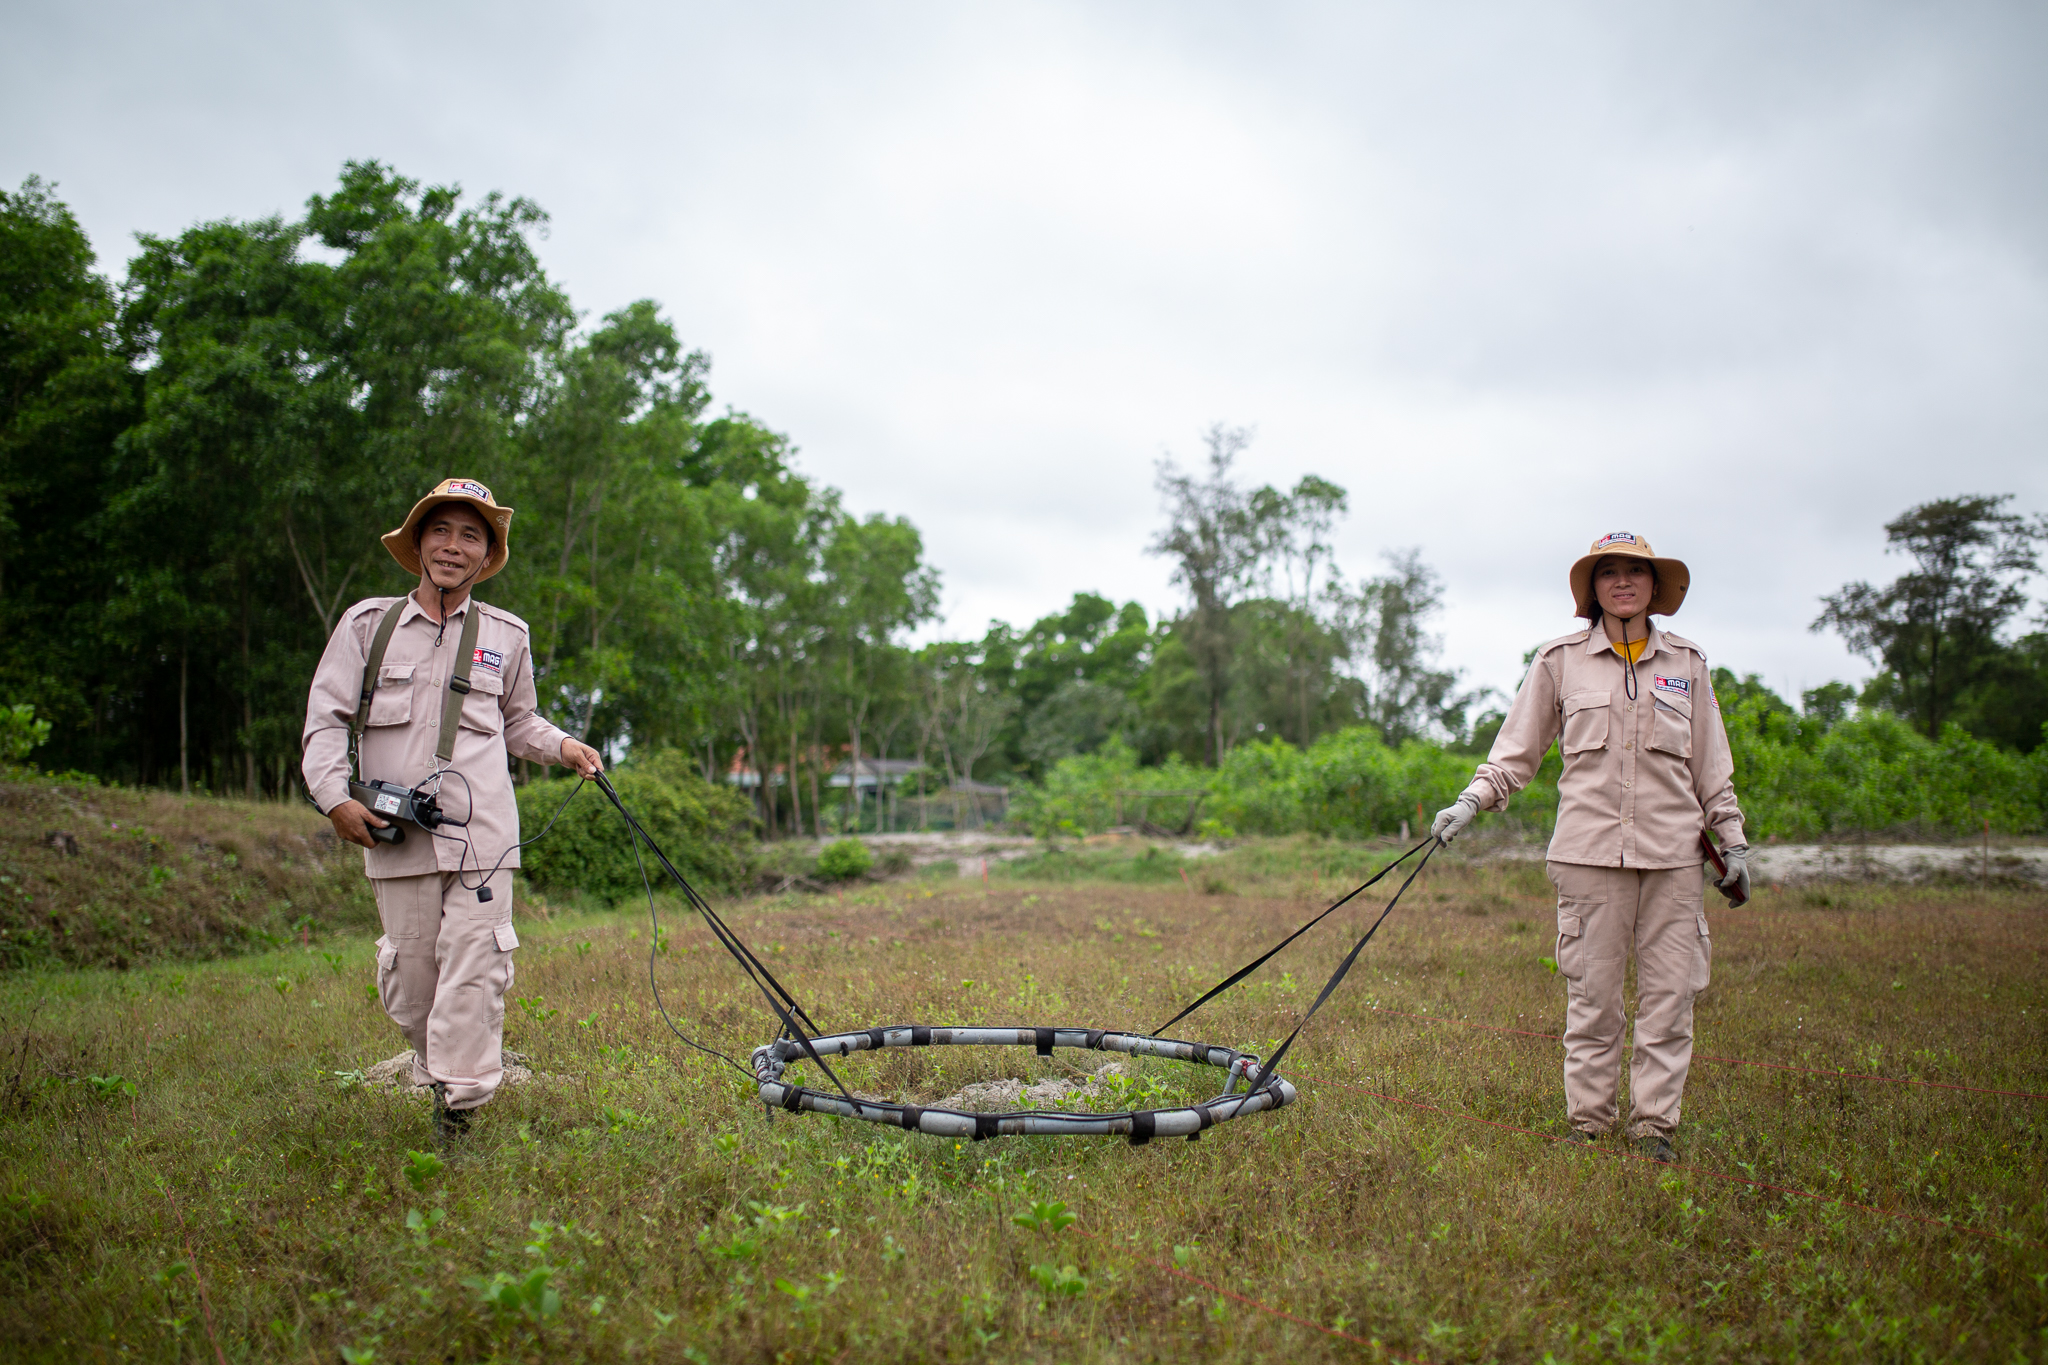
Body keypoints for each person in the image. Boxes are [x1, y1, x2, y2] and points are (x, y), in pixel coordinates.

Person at [1429, 532, 1749, 1163]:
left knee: (1669, 998)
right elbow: (1515, 751)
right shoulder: (1558, 660)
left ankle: (1654, 1128)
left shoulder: (1688, 663)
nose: (1623, 581)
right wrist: (1470, 801)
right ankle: (1591, 1125)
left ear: (1655, 587)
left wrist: (1732, 839)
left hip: (1674, 860)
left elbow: (1713, 764)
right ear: (1592, 588)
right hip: (1587, 856)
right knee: (1593, 1000)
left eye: (1636, 571)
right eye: (1610, 573)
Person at [302, 478, 603, 1139]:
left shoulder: (507, 635)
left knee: (473, 966)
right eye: (441, 530)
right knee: (411, 983)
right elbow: (326, 718)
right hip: (395, 833)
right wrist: (335, 799)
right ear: (417, 542)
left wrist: (564, 746)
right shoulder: (366, 626)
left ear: (487, 553)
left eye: (471, 534)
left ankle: (457, 1116)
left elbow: (520, 722)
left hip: (483, 837)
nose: (453, 546)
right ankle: (458, 1060)